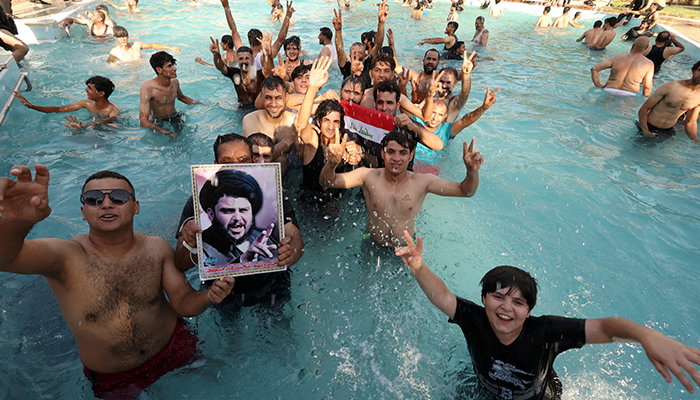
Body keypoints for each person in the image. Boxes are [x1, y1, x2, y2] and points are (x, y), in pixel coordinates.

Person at [0, 166, 234, 399]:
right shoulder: (65, 257)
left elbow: (183, 302)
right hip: (114, 378)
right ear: (83, 211)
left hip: (174, 346)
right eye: (93, 199)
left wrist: (208, 296)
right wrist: (18, 221)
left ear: (136, 207)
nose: (106, 204)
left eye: (119, 198)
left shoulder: (156, 248)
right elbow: (6, 259)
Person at [395, 232, 700, 400]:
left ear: (529, 311)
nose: (506, 308)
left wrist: (649, 337)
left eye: (518, 302)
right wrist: (419, 267)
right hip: (483, 390)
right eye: (498, 297)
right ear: (484, 299)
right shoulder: (473, 318)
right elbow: (442, 296)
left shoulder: (546, 332)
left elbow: (606, 328)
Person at [175, 133, 303, 311]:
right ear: (215, 166)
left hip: (271, 282)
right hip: (222, 290)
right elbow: (180, 264)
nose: (235, 166)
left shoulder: (274, 195)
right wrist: (190, 244)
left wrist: (290, 254)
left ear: (252, 161)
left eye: (242, 159)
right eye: (227, 161)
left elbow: (295, 238)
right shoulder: (197, 202)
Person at [319, 128, 483, 247]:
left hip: (406, 247)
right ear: (383, 154)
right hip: (372, 241)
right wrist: (332, 164)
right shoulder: (367, 176)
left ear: (411, 155)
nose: (396, 158)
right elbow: (327, 182)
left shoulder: (423, 182)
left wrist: (471, 171)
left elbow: (466, 191)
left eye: (403, 153)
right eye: (391, 152)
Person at [294, 57, 363, 194]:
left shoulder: (344, 145)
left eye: (336, 122)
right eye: (327, 120)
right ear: (319, 122)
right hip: (309, 203)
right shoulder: (313, 142)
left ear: (341, 125)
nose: (331, 126)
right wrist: (312, 89)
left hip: (336, 205)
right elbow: (301, 125)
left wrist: (356, 159)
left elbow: (348, 182)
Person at [413, 85, 497, 166]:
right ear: (425, 111)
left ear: (444, 117)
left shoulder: (446, 130)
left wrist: (483, 108)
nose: (435, 118)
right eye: (433, 113)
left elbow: (465, 121)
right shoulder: (415, 121)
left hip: (430, 167)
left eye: (440, 115)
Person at [13, 76, 120, 129]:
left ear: (101, 93)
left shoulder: (113, 109)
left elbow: (110, 120)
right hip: (90, 125)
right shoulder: (86, 103)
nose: (86, 90)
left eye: (89, 88)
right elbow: (58, 109)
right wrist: (32, 106)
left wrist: (85, 126)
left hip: (109, 129)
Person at [139, 52, 203, 137]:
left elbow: (181, 97)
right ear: (159, 70)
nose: (175, 68)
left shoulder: (175, 82)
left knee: (186, 136)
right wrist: (166, 132)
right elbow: (143, 119)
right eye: (169, 66)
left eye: (173, 65)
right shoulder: (148, 88)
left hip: (174, 116)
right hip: (157, 121)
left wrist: (202, 105)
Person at [241, 76, 297, 173]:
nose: (274, 104)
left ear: (286, 97)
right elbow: (256, 161)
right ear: (261, 98)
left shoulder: (293, 120)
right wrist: (288, 140)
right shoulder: (251, 120)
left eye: (278, 98)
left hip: (289, 176)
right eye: (268, 98)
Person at [219, 0, 294, 71]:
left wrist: (226, 7)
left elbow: (233, 30)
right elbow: (281, 39)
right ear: (261, 39)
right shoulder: (264, 57)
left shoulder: (242, 53)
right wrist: (287, 17)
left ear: (248, 41)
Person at [637, 61, 700, 141]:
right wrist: (645, 130)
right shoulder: (671, 87)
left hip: (667, 131)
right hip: (648, 126)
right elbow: (644, 109)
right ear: (694, 71)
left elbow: (691, 122)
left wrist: (696, 141)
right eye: (699, 70)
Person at [210, 37, 263, 108]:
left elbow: (269, 68)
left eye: (247, 58)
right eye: (241, 59)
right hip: (241, 110)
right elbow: (221, 67)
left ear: (252, 60)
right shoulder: (235, 73)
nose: (244, 61)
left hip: (256, 111)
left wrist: (267, 54)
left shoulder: (260, 74)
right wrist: (216, 55)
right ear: (238, 60)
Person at [107, 26, 180, 64]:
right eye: (120, 37)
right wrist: (114, 65)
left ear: (128, 36)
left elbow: (152, 45)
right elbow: (109, 62)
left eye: (124, 36)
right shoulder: (114, 52)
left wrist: (170, 48)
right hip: (129, 74)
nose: (123, 39)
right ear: (116, 38)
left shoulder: (136, 45)